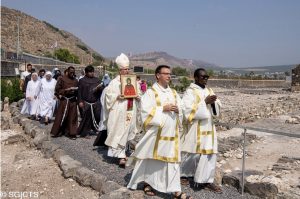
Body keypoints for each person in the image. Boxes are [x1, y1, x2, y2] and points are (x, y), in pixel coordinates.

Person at [127, 65, 192, 199]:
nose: (169, 76)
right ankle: (148, 183)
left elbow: (183, 110)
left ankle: (176, 191)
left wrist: (179, 111)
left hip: (172, 135)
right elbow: (144, 112)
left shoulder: (173, 93)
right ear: (157, 75)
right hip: (156, 135)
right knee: (152, 161)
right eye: (166, 73)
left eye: (170, 74)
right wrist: (163, 108)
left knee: (173, 162)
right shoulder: (151, 93)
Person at [180, 68, 222, 193]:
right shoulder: (190, 92)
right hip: (196, 127)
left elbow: (217, 107)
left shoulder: (209, 90)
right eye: (203, 77)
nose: (205, 79)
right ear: (196, 78)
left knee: (209, 154)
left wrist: (214, 103)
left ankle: (206, 181)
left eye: (207, 77)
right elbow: (186, 110)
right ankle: (184, 174)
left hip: (209, 127)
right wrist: (204, 102)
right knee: (192, 153)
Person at [105, 53, 141, 167]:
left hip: (130, 109)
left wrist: (137, 96)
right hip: (118, 112)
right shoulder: (114, 83)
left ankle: (124, 152)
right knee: (119, 132)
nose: (127, 71)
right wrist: (117, 97)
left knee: (128, 131)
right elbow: (108, 96)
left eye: (127, 69)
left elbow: (139, 94)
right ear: (120, 70)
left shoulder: (133, 81)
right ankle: (120, 156)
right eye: (124, 69)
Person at [50, 66, 78, 139]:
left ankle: (72, 133)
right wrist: (66, 91)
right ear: (68, 72)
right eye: (71, 72)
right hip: (64, 100)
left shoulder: (75, 80)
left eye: (73, 72)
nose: (72, 74)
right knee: (60, 116)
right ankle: (57, 131)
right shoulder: (62, 79)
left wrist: (75, 91)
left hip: (72, 101)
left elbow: (79, 91)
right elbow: (57, 90)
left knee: (72, 117)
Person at [77, 65, 103, 138]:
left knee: (97, 116)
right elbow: (79, 92)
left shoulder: (97, 80)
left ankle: (95, 128)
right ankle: (85, 132)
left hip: (95, 102)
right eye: (90, 72)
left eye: (92, 72)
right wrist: (80, 101)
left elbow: (102, 90)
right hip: (86, 102)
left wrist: (99, 88)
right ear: (86, 72)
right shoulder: (82, 81)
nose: (92, 73)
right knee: (86, 118)